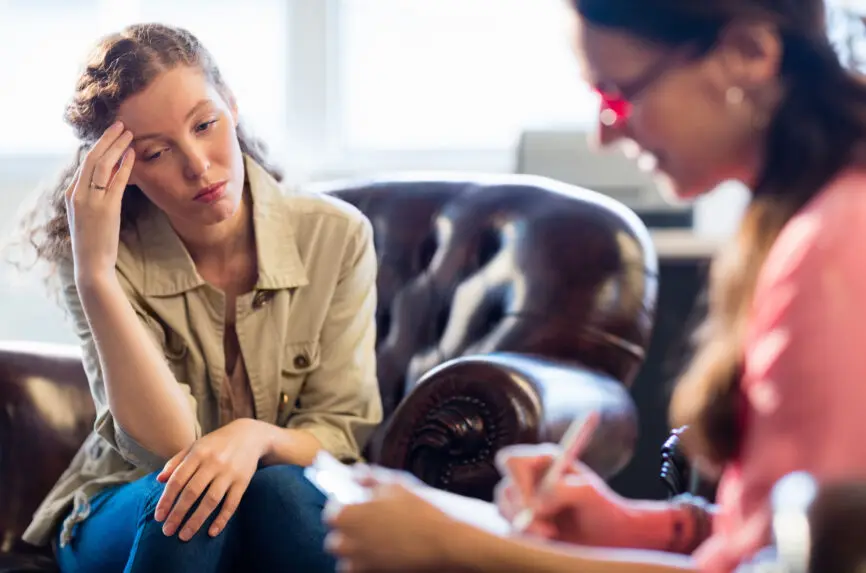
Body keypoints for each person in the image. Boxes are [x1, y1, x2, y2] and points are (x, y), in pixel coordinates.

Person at [322, 0, 866, 571]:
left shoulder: (835, 248)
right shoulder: (803, 221)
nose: (605, 134)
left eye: (619, 94)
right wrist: (628, 525)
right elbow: (763, 535)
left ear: (748, 53)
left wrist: (460, 549)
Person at [10, 22, 382, 573]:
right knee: (188, 502)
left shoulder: (337, 235)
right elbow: (169, 445)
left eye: (205, 124)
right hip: (127, 499)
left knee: (279, 491)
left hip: (280, 493)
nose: (198, 165)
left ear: (231, 106)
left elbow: (340, 431)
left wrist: (251, 438)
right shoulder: (100, 259)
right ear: (123, 170)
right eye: (157, 152)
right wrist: (96, 275)